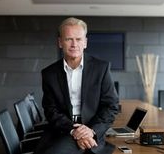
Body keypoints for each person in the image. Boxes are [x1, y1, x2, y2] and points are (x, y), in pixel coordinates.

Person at [34, 17, 119, 154]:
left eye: (78, 39)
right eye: (68, 39)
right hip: (62, 130)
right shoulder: (49, 73)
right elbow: (51, 110)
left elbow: (111, 106)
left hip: (93, 130)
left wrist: (91, 131)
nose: (74, 44)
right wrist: (74, 131)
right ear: (60, 42)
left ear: (85, 42)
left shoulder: (101, 68)